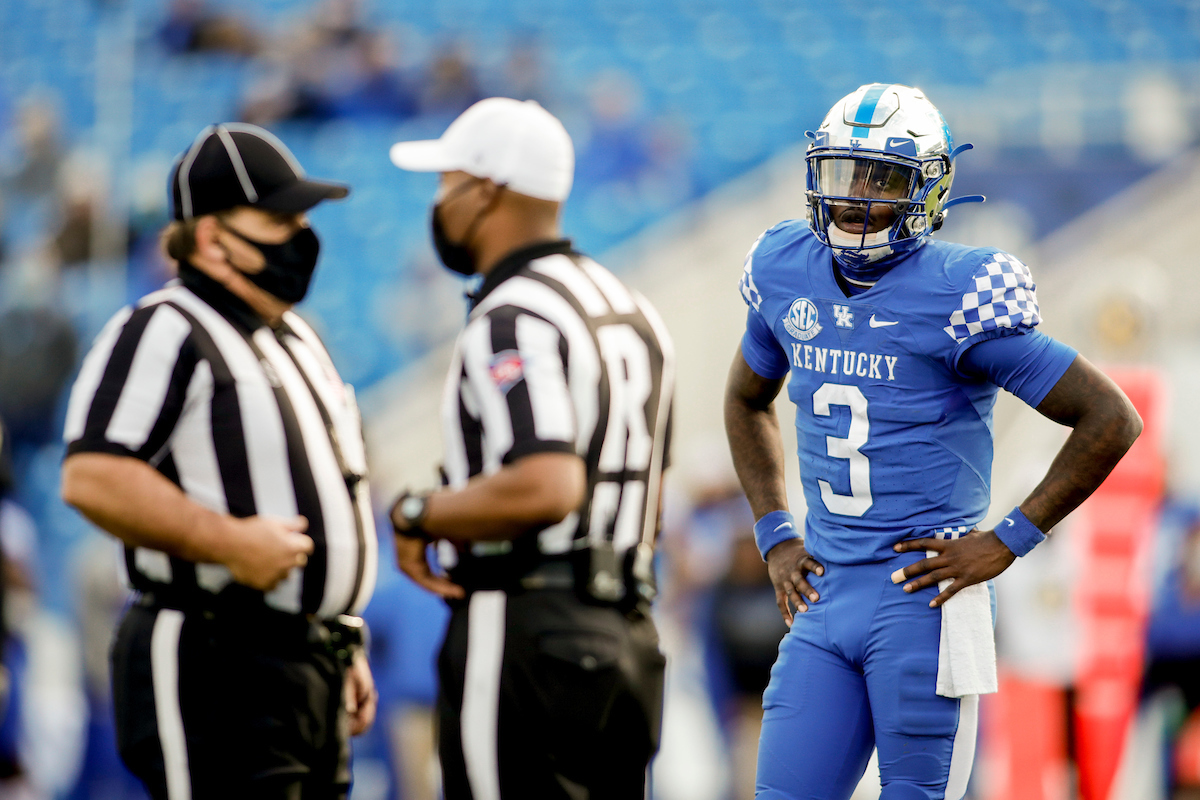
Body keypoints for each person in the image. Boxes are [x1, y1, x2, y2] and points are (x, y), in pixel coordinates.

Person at [724, 83, 1143, 800]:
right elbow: (744, 399)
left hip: (925, 601)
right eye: (842, 174)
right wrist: (774, 531)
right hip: (824, 596)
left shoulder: (960, 293)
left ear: (930, 189)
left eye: (881, 179)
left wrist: (1008, 538)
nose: (855, 198)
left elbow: (1110, 419)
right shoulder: (784, 269)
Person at [60, 123, 379, 799]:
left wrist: (334, 634)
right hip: (217, 655)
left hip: (303, 664)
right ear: (210, 236)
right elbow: (92, 475)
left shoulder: (294, 336)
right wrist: (227, 542)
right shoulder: (164, 326)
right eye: (279, 217)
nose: (301, 234)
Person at [387, 97, 674, 800]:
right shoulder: (634, 308)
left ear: (486, 190)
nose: (438, 203)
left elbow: (546, 486)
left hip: (528, 631)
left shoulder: (511, 312)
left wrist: (419, 512)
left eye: (447, 182)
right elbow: (650, 501)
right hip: (630, 634)